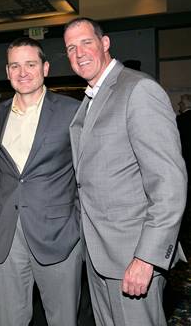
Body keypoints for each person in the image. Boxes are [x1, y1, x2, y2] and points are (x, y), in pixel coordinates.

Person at [63, 17, 187, 326]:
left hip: (132, 255)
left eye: (86, 43)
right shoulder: (91, 99)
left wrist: (146, 258)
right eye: (71, 48)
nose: (79, 53)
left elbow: (169, 184)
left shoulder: (138, 89)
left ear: (105, 44)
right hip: (99, 253)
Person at [0, 37, 82, 326]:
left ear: (46, 68)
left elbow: (88, 172)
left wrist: (76, 224)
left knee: (62, 319)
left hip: (59, 236)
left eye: (30, 64)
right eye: (15, 65)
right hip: (6, 237)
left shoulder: (72, 110)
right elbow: (1, 174)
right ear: (7, 72)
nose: (23, 72)